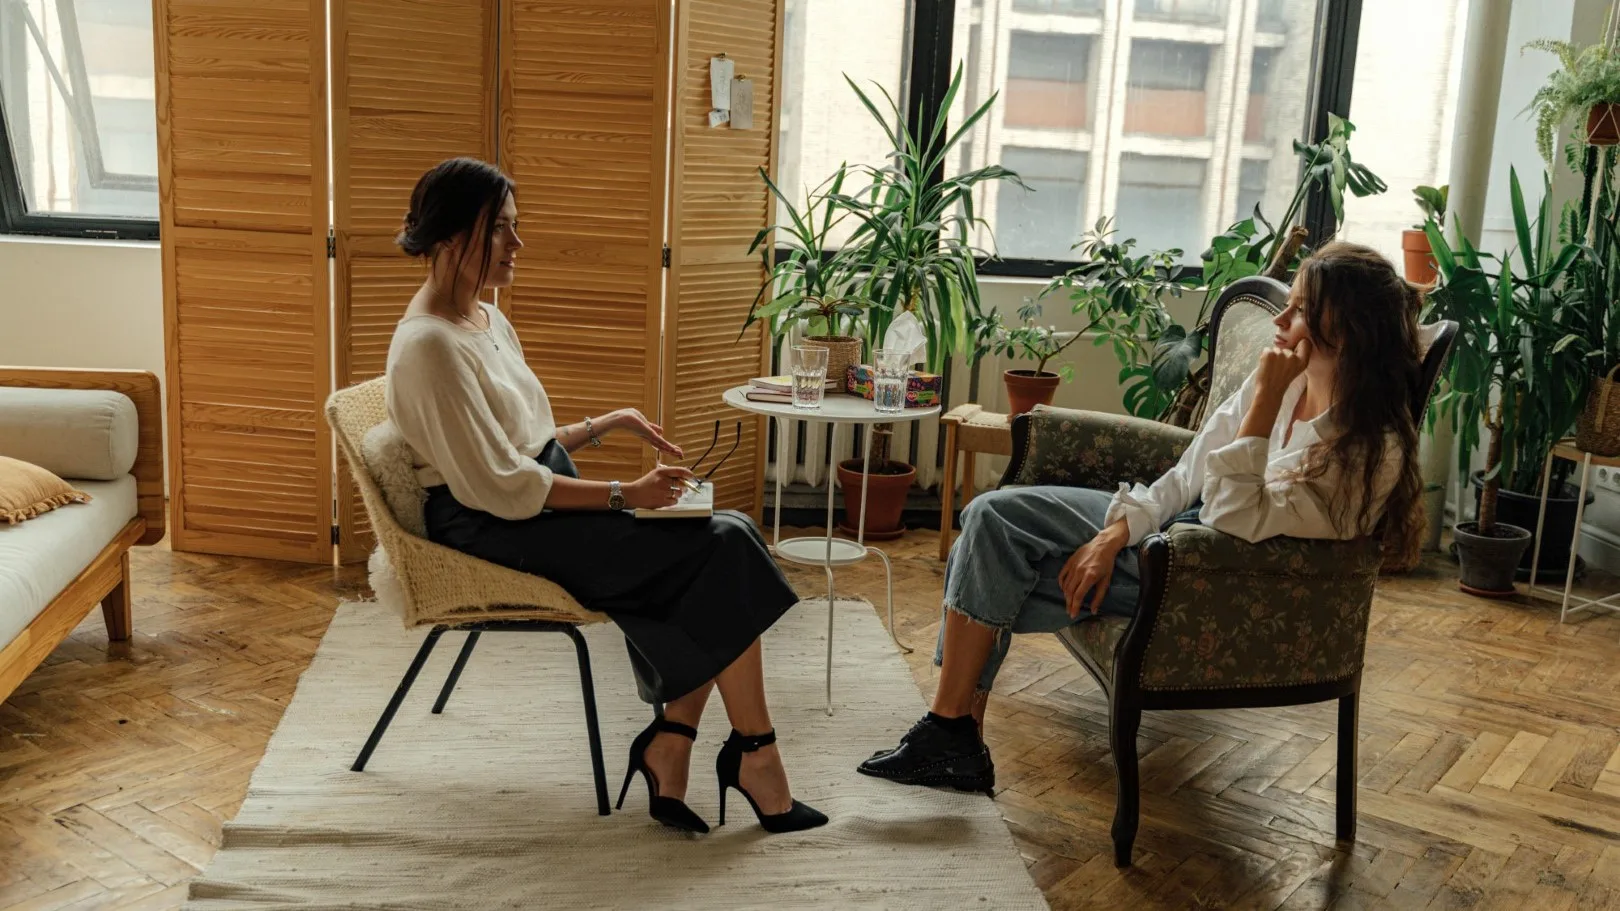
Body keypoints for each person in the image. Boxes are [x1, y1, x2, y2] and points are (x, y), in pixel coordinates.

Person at [858, 242, 1426, 793]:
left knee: (988, 545)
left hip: (1218, 578)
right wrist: (1115, 533)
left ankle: (953, 735)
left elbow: (1230, 518)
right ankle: (956, 732)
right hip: (1173, 538)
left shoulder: (1364, 454)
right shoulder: (1286, 376)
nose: (1282, 318)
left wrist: (1261, 406)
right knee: (988, 530)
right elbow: (1192, 470)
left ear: (1345, 330)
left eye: (1301, 308)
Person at [384, 157, 825, 835]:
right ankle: (745, 757)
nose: (518, 244)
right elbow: (497, 483)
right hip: (493, 525)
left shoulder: (482, 317)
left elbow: (514, 442)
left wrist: (604, 424)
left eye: (515, 227)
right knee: (724, 546)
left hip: (527, 500)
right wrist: (626, 493)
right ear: (450, 237)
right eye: (502, 230)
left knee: (723, 532)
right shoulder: (427, 346)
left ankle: (678, 745)